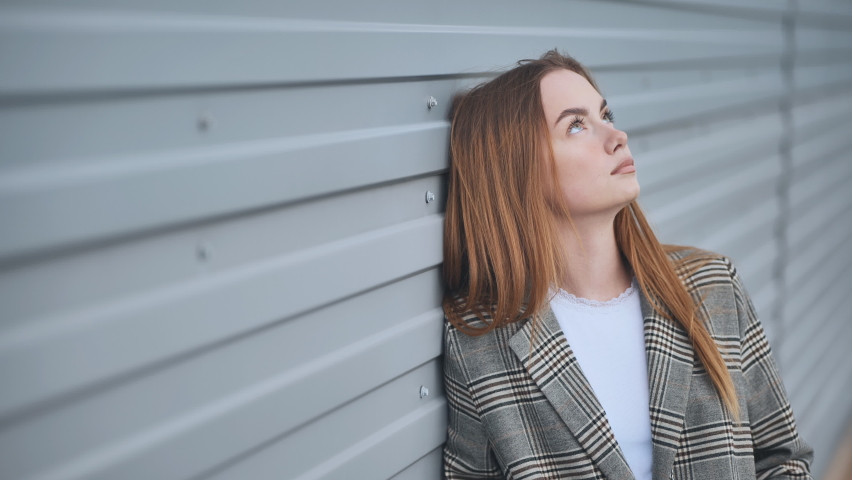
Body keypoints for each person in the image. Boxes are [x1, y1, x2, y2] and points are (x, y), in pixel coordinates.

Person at [441, 50, 814, 480]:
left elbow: (781, 458)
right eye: (576, 125)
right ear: (516, 167)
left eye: (606, 114)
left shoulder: (712, 287)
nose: (617, 135)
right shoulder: (479, 339)